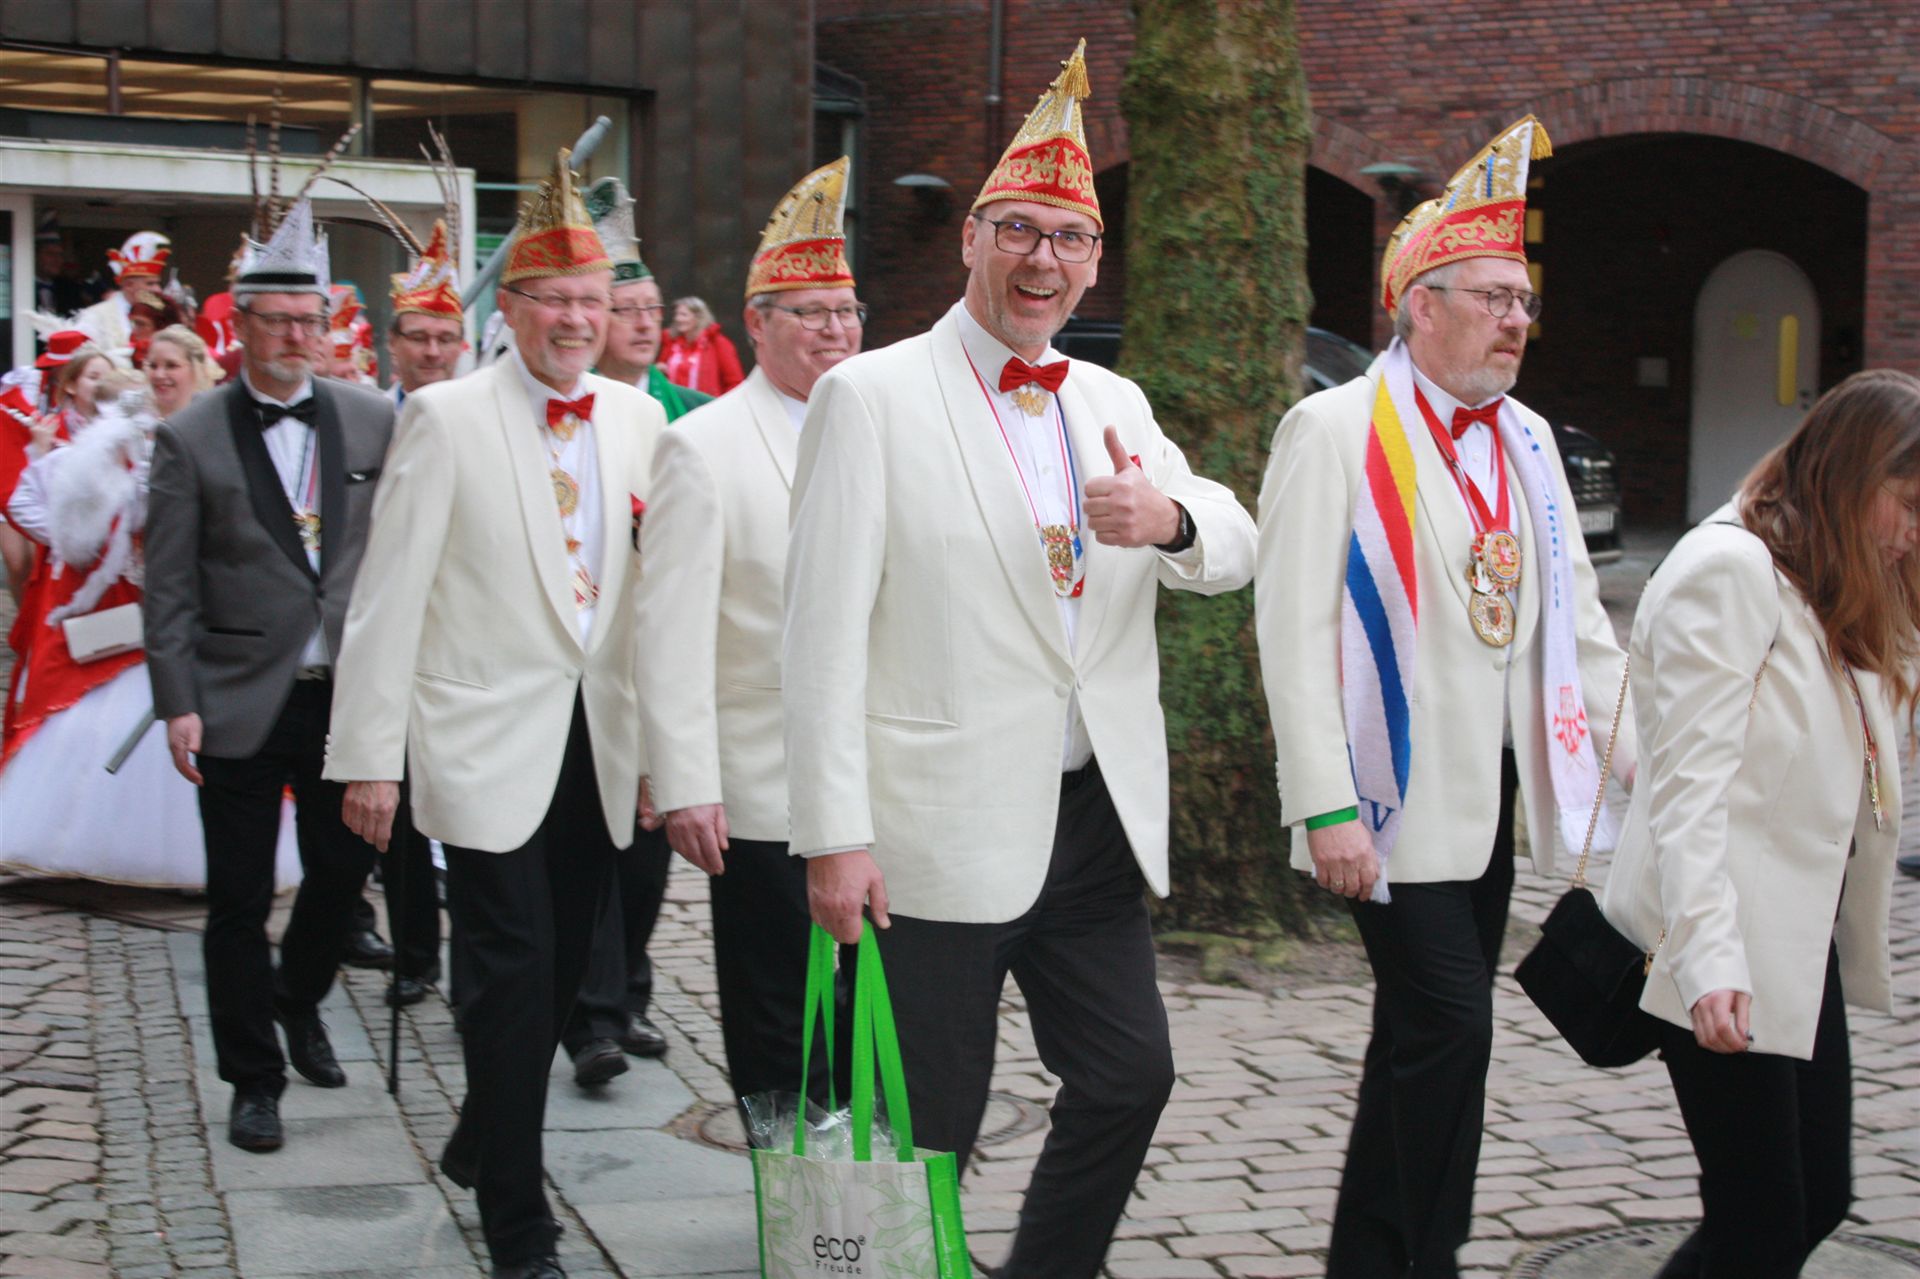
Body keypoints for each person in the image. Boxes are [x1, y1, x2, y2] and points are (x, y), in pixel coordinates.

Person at [784, 43, 1257, 1279]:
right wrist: (833, 836)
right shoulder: (871, 398)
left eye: (1071, 239)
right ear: (972, 241)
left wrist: (1171, 518)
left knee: (1130, 1075)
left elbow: (1234, 543)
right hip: (931, 831)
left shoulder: (1115, 401)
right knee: (926, 1124)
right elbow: (819, 636)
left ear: (1095, 260)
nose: (1045, 259)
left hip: (1089, 817)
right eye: (1021, 232)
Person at [1256, 117, 1633, 1279]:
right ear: (1420, 305)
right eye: (1494, 298)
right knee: (1450, 1028)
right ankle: (1422, 1257)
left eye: (1525, 299)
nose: (1517, 319)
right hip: (1387, 796)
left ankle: (1380, 1256)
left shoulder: (1530, 439)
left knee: (1426, 1039)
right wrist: (1325, 804)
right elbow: (1292, 633)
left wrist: (1636, 749)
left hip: (1490, 801)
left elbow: (1578, 621)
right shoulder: (1331, 429)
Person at [324, 149, 663, 1279]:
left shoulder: (639, 418)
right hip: (479, 741)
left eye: (592, 299)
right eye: (554, 298)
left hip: (598, 742)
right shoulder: (446, 418)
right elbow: (389, 598)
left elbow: (653, 600)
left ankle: (483, 1131)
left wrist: (665, 751)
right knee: (509, 974)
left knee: (564, 973)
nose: (576, 319)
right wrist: (369, 758)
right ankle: (521, 1222)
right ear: (508, 308)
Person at [1599, 369, 1914, 1279]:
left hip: (1796, 936)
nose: (1915, 530)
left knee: (1816, 1199)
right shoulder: (1730, 571)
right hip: (1715, 934)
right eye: (1909, 504)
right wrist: (1710, 961)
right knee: (1763, 1219)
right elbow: (1687, 791)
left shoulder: (1834, 571)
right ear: (1853, 478)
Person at [143, 197, 396, 1154]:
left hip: (347, 700)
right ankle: (253, 1078)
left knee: (343, 874)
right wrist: (177, 702)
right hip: (238, 695)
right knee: (240, 899)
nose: (298, 336)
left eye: (311, 320)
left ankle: (298, 996)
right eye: (280, 321)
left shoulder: (373, 420)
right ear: (241, 325)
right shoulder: (192, 436)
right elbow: (169, 584)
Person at [637, 157, 863, 1110]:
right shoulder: (704, 446)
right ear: (756, 324)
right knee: (781, 1015)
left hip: (886, 779)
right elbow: (669, 630)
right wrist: (685, 779)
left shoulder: (890, 426)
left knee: (880, 1015)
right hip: (768, 788)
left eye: (846, 311)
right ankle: (791, 1184)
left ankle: (879, 1181)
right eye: (810, 312)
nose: (835, 330)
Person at [0, 378, 301, 889]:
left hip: (172, 612)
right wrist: (78, 541)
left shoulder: (187, 454)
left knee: (175, 726)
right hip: (118, 613)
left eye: (172, 369)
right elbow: (28, 501)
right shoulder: (84, 461)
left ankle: (185, 857)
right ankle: (79, 842)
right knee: (94, 725)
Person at [550, 177, 705, 1085]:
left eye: (653, 308)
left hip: (658, 659)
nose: (643, 323)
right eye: (627, 309)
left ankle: (627, 992)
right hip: (579, 656)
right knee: (593, 851)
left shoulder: (685, 412)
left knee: (646, 860)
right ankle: (592, 1015)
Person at [78, 231, 171, 357]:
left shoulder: (163, 312)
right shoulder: (95, 317)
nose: (158, 290)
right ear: (128, 285)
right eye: (150, 284)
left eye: (158, 283)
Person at [660, 295, 744, 396]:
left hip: (706, 404)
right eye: (676, 314)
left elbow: (734, 383)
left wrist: (723, 404)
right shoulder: (671, 343)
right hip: (674, 403)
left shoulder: (718, 343)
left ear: (698, 318)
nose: (678, 319)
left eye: (683, 315)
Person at [143, 325, 220, 421]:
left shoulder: (211, 420)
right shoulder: (137, 416)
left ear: (196, 368)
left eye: (171, 366)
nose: (159, 375)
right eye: (153, 366)